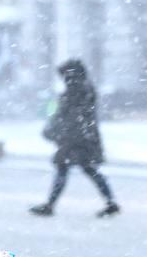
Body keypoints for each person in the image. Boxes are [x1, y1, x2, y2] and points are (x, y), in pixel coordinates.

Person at [29, 59, 120, 218]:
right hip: (82, 137)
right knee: (88, 170)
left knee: (65, 169)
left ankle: (50, 205)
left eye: (65, 75)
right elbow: (73, 116)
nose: (64, 79)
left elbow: (66, 116)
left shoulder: (76, 91)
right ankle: (110, 203)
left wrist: (55, 131)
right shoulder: (85, 89)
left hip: (74, 139)